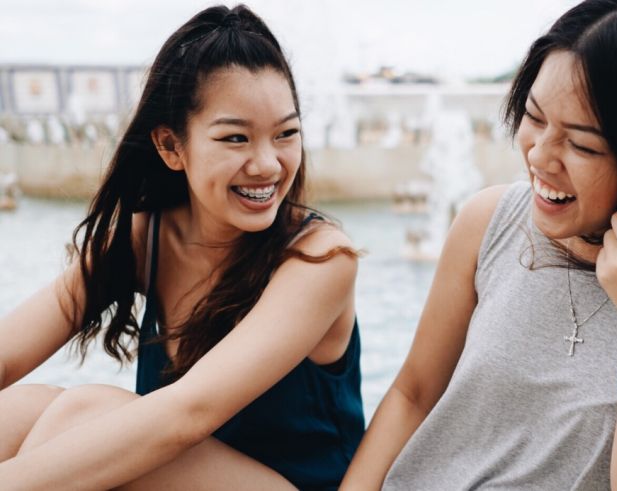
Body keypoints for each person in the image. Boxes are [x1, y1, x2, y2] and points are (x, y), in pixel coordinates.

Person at [341, 0, 617, 489]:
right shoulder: (487, 220)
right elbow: (414, 394)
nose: (539, 155)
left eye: (582, 145)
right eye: (534, 117)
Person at [0, 5, 363, 490]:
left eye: (286, 134)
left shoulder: (320, 258)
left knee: (83, 412)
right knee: (19, 411)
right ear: (171, 147)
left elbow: (188, 413)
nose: (268, 165)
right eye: (236, 138)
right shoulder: (142, 239)